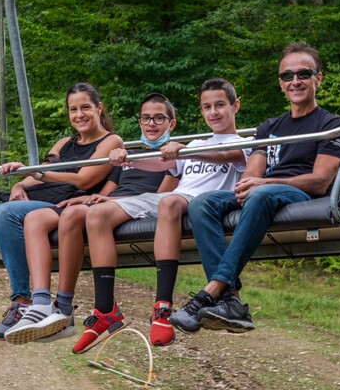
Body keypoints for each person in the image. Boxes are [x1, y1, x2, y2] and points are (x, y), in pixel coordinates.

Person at [169, 41, 340, 334]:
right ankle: (230, 300)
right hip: (265, 192)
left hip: (299, 193)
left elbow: (320, 180)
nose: (295, 81)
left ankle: (211, 292)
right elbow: (253, 172)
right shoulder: (269, 127)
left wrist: (263, 182)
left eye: (303, 74)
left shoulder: (331, 125)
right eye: (287, 76)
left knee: (261, 193)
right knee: (202, 203)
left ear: (318, 78)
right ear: (281, 84)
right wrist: (249, 184)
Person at [71, 78, 251, 354]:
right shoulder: (196, 142)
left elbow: (229, 155)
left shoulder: (248, 141)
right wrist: (127, 158)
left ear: (235, 106)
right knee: (97, 214)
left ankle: (162, 308)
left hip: (204, 202)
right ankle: (104, 308)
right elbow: (158, 162)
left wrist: (189, 150)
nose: (213, 112)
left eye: (219, 105)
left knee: (168, 203)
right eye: (207, 107)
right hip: (174, 198)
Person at [4, 93, 178, 345]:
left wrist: (105, 201)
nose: (151, 124)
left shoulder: (171, 155)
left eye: (159, 118)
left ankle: (82, 305)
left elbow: (162, 195)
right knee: (66, 212)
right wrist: (90, 198)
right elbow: (109, 188)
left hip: (135, 205)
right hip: (111, 203)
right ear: (139, 122)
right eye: (146, 118)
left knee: (85, 213)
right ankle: (54, 304)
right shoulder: (128, 156)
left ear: (170, 124)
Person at [0, 83, 123, 341]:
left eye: (85, 107)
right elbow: (40, 173)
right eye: (73, 110)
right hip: (30, 198)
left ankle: (23, 301)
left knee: (9, 214)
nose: (79, 115)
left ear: (99, 108)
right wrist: (19, 182)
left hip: (61, 204)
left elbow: (83, 180)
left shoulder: (111, 141)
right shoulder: (63, 143)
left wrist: (33, 172)